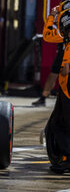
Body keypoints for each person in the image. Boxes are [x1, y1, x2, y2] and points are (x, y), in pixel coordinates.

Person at [45, 9, 70, 173]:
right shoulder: (66, 41)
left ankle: (67, 158)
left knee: (62, 125)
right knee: (56, 124)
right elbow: (48, 35)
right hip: (64, 89)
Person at [32, 0, 70, 106]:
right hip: (63, 53)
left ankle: (45, 97)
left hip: (65, 53)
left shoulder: (63, 24)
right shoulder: (63, 23)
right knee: (54, 74)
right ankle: (44, 97)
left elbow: (48, 35)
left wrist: (51, 17)